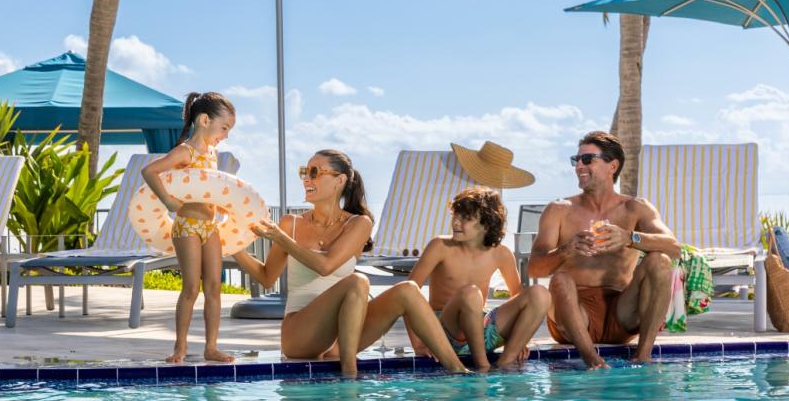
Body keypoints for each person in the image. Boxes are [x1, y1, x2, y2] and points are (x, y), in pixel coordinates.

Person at [231, 149, 468, 377]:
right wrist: (232, 247)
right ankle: (350, 375)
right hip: (300, 335)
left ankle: (458, 370)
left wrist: (282, 240)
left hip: (343, 338)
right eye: (305, 172)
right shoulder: (289, 224)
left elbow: (327, 266)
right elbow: (266, 277)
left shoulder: (359, 223)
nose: (306, 179)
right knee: (357, 282)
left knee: (408, 290)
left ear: (339, 181)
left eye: (315, 172)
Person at [528, 130, 679, 368]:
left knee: (659, 260)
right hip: (575, 316)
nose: (579, 166)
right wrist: (566, 250)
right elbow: (534, 268)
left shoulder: (635, 207)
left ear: (613, 165)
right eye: (576, 160)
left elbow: (674, 248)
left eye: (587, 159)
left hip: (622, 311)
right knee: (560, 279)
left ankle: (643, 357)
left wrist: (630, 237)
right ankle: (592, 361)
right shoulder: (558, 209)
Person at [405, 187, 550, 371]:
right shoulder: (440, 246)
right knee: (470, 294)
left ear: (486, 224)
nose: (456, 222)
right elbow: (408, 293)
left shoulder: (501, 253)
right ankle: (483, 368)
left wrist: (520, 339)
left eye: (465, 218)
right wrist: (419, 345)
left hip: (481, 332)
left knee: (540, 294)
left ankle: (506, 362)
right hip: (444, 333)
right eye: (455, 215)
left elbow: (517, 295)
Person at [142, 92, 237, 364]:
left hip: (210, 225)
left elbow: (210, 189)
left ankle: (211, 347)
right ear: (205, 120)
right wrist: (169, 201)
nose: (226, 135)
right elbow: (150, 172)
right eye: (225, 128)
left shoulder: (212, 153)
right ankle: (180, 348)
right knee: (191, 288)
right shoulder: (186, 151)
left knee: (215, 286)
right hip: (187, 226)